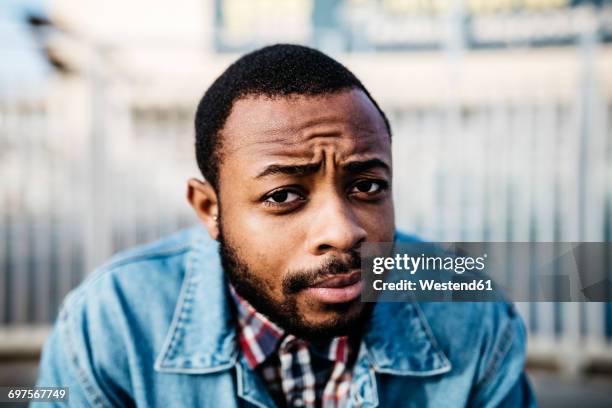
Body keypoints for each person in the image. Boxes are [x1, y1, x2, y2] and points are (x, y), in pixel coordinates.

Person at [35, 44, 536, 407]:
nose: (342, 232)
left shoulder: (472, 313)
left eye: (366, 186)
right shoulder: (112, 323)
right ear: (210, 210)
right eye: (283, 196)